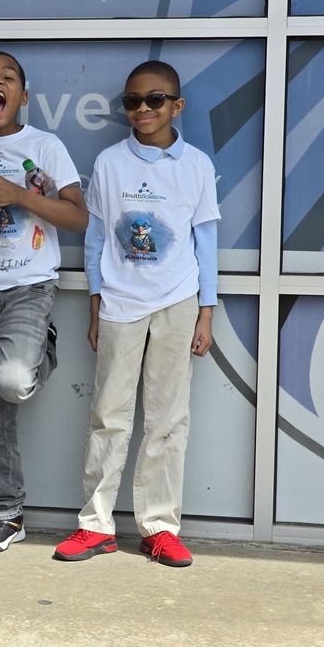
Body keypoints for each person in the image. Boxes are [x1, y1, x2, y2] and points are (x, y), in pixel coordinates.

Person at [54, 60, 219, 568]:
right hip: (119, 304)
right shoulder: (109, 162)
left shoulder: (196, 165)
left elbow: (206, 242)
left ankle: (160, 527)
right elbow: (97, 239)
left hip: (177, 301)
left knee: (169, 418)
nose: (142, 109)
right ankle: (95, 524)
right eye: (132, 101)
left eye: (154, 100)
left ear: (176, 106)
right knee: (109, 414)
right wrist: (95, 301)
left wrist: (206, 312)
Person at [0, 51, 89, 553]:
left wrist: (19, 195)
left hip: (29, 287)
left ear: (24, 95)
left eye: (7, 78)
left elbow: (77, 217)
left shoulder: (44, 146)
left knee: (13, 381)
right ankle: (7, 512)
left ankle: (40, 346)